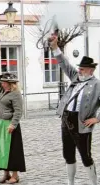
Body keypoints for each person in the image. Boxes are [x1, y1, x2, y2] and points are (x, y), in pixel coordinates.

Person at [49, 35, 98, 185]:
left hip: (81, 123)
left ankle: (94, 183)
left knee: (85, 156)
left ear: (90, 70)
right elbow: (64, 64)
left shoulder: (97, 85)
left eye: (82, 69)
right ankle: (71, 182)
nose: (79, 70)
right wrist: (55, 47)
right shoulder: (76, 78)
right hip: (66, 119)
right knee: (68, 154)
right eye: (79, 68)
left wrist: (97, 118)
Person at [0, 54, 26, 184]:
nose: (1, 83)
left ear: (10, 83)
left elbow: (18, 111)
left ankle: (15, 176)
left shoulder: (15, 94)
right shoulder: (1, 90)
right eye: (2, 82)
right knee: (1, 150)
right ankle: (6, 174)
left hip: (9, 125)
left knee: (12, 151)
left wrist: (13, 125)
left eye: (4, 82)